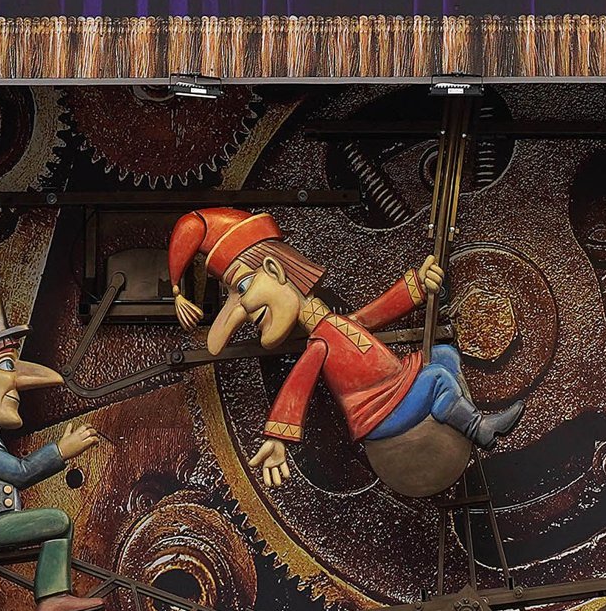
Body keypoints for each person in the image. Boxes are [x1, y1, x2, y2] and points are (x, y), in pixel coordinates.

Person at [167, 208, 522, 489]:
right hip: (379, 412)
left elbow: (371, 316)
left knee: (445, 355)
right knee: (437, 378)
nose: (240, 309)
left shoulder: (332, 325)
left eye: (241, 287)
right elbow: (298, 385)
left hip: (396, 389)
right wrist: (278, 437)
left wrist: (417, 286)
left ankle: (453, 413)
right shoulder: (320, 342)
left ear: (274, 269)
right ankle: (478, 427)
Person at [0, 254, 104, 611]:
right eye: (7, 368)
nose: (18, 385)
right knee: (57, 520)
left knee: (55, 522)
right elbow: (21, 472)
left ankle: (53, 595)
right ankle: (53, 597)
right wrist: (62, 450)